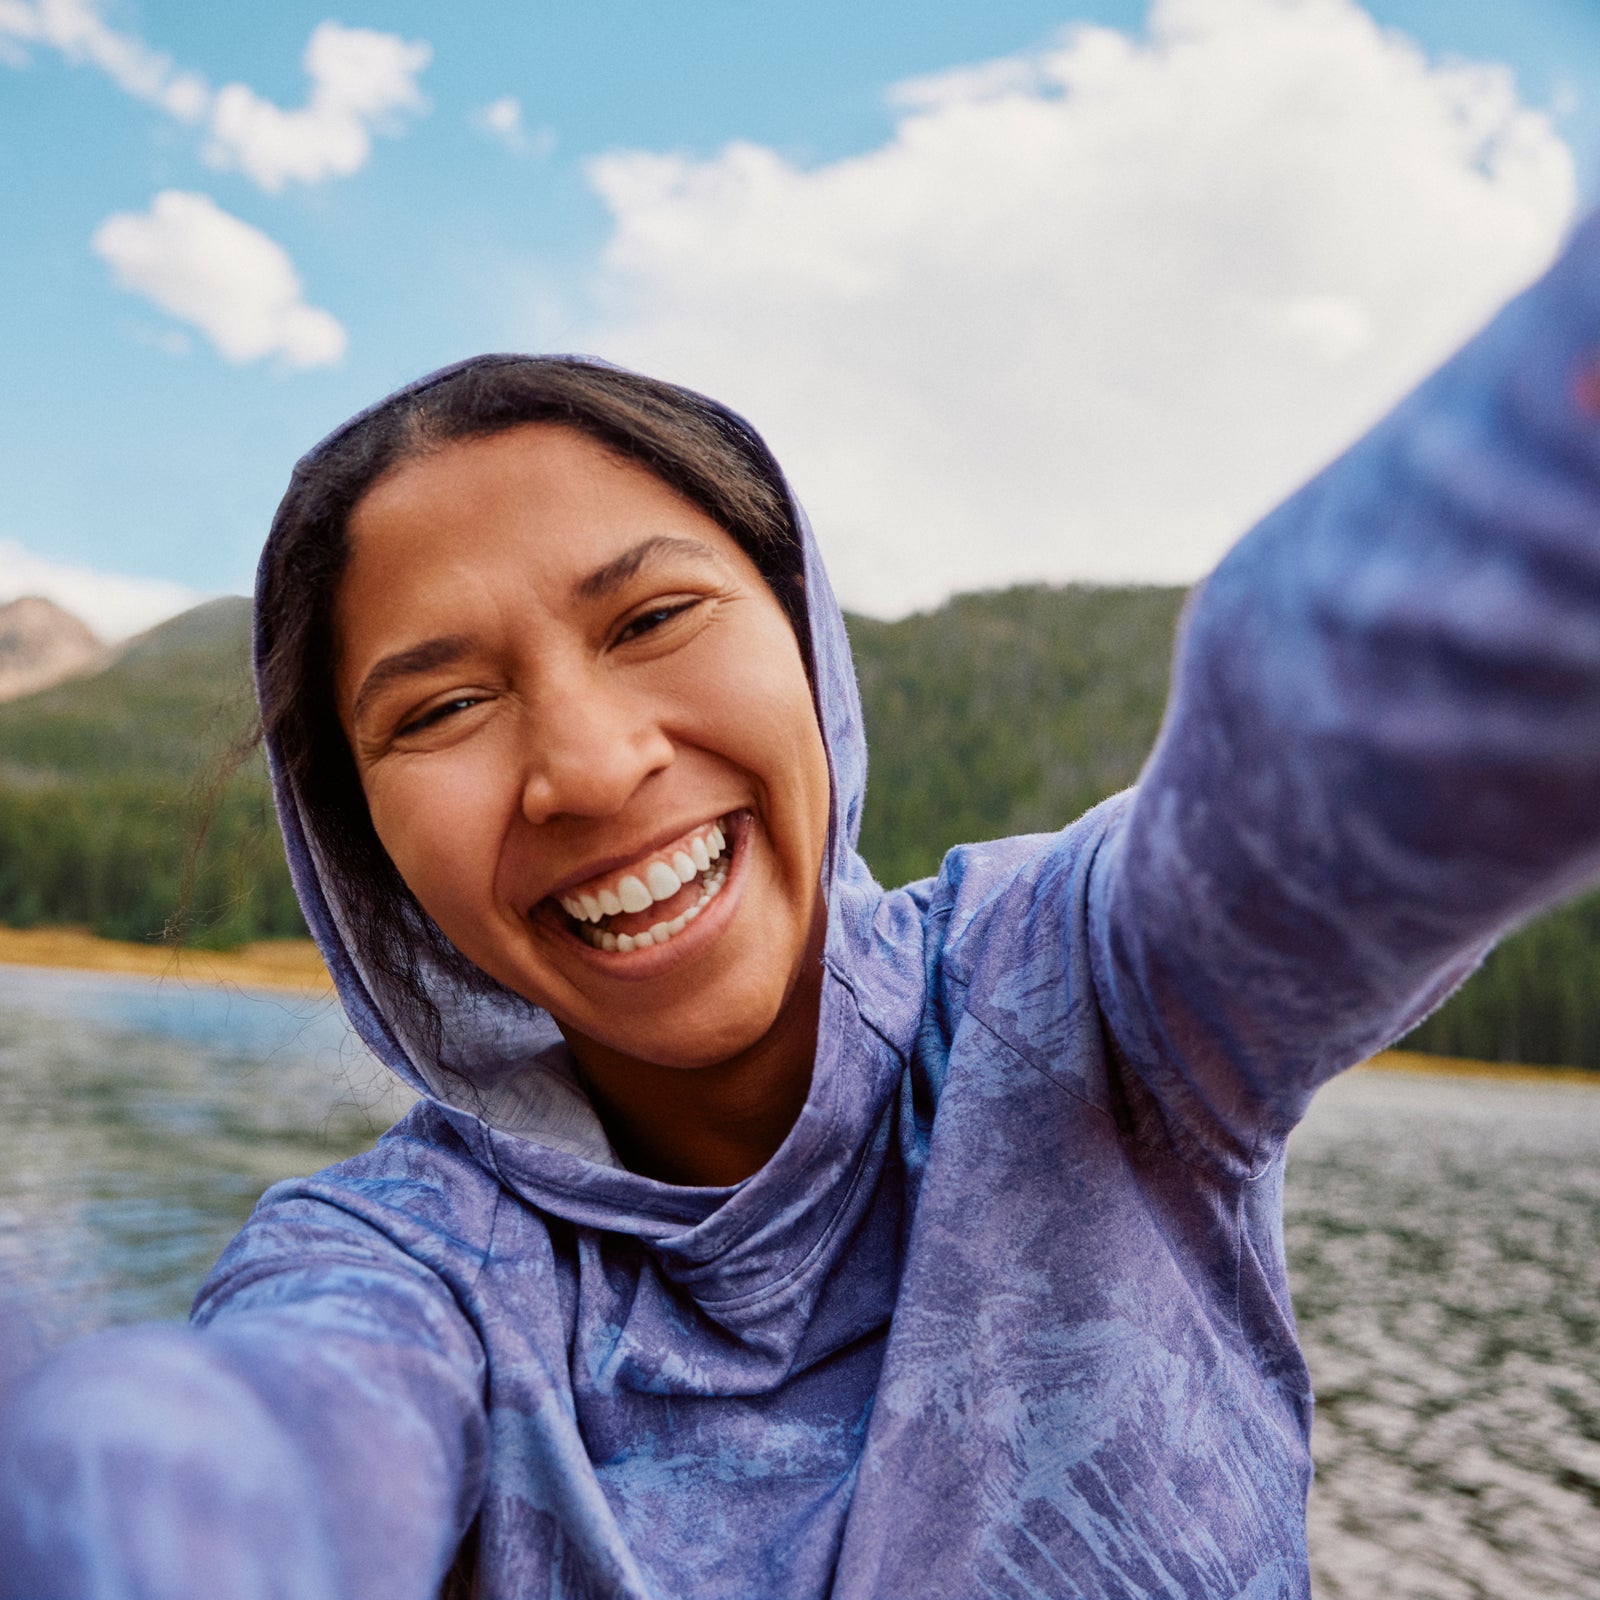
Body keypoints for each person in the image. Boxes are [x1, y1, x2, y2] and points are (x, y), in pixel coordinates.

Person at [3, 203, 1600, 1599]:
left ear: (803, 635)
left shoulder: (1100, 993)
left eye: (653, 617)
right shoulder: (402, 1267)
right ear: (367, 855)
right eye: (440, 711)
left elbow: (1337, 742)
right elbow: (253, 1463)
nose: (587, 764)